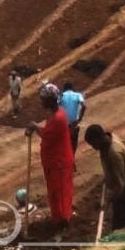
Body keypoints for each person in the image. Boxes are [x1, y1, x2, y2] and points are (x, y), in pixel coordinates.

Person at [26, 82, 74, 240]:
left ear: (49, 101)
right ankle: (58, 220)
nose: (41, 102)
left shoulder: (59, 118)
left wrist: (34, 127)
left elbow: (47, 134)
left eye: (43, 99)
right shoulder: (55, 115)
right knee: (54, 194)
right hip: (52, 163)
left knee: (60, 195)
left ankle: (63, 226)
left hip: (59, 163)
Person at [84, 125, 125, 230]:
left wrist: (107, 201)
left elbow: (119, 186)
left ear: (98, 139)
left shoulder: (114, 154)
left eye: (92, 144)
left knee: (121, 226)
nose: (93, 147)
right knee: (119, 220)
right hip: (123, 187)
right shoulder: (108, 139)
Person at [60, 83, 87, 154]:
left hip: (64, 125)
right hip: (74, 124)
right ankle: (72, 159)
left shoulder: (61, 96)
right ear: (72, 88)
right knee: (73, 145)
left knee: (65, 145)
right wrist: (80, 118)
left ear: (64, 89)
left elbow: (56, 107)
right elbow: (84, 106)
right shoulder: (78, 95)